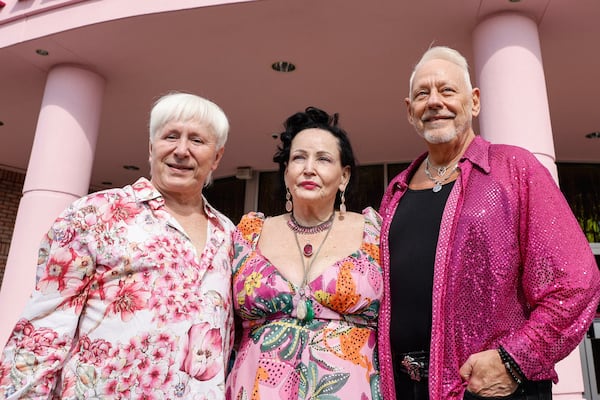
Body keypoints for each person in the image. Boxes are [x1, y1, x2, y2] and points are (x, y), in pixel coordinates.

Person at [377, 46, 600, 399]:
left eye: (447, 90)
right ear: (409, 111)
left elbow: (576, 283)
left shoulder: (514, 169)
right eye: (423, 93)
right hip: (403, 389)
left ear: (475, 101)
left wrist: (514, 361)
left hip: (492, 390)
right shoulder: (396, 190)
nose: (434, 101)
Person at [0, 92, 236, 399]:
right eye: (170, 136)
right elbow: (43, 330)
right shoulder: (94, 214)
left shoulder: (228, 234)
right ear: (152, 148)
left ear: (217, 157)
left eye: (197, 141)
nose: (181, 150)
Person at [225, 107, 383, 399]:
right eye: (298, 157)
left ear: (344, 175)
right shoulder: (248, 233)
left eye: (323, 159)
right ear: (286, 173)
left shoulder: (375, 233)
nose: (309, 168)